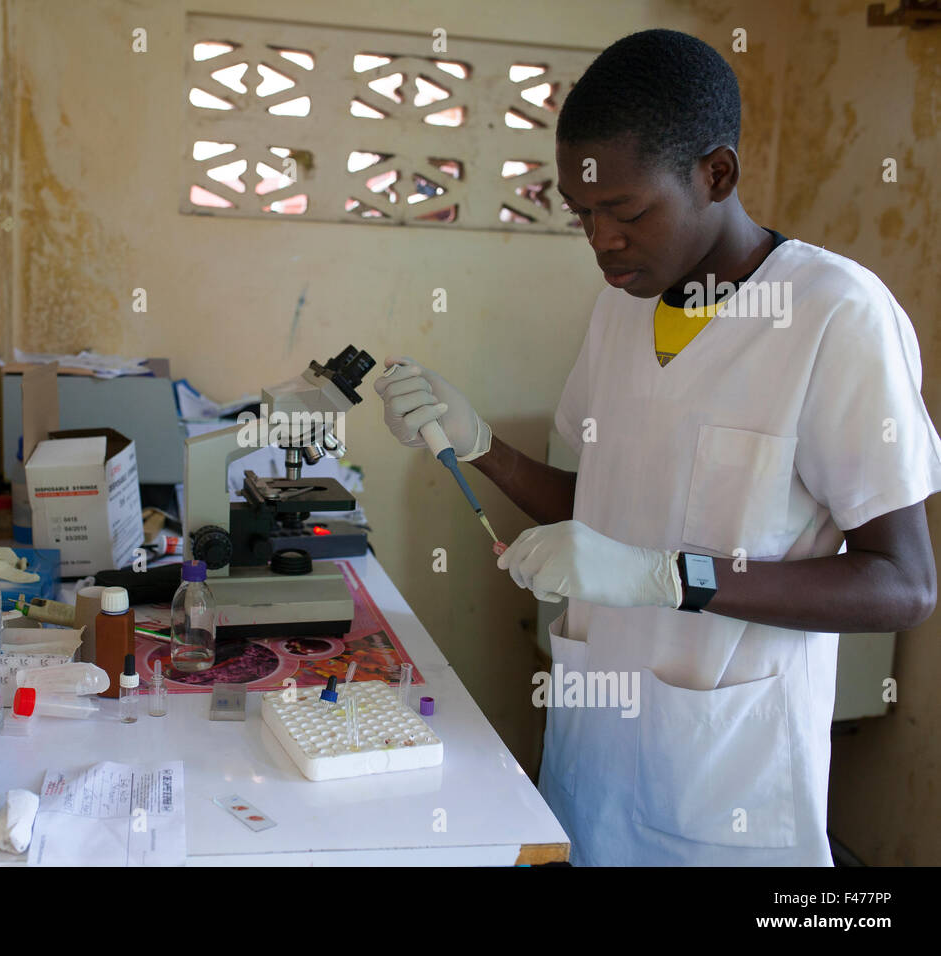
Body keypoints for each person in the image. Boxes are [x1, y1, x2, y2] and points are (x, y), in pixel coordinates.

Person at [374, 29, 941, 865]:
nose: (601, 241)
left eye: (627, 211)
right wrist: (479, 443)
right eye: (583, 214)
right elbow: (600, 510)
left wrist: (671, 578)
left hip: (723, 790)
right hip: (592, 759)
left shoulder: (835, 316)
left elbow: (903, 585)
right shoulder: (623, 306)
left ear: (716, 174)